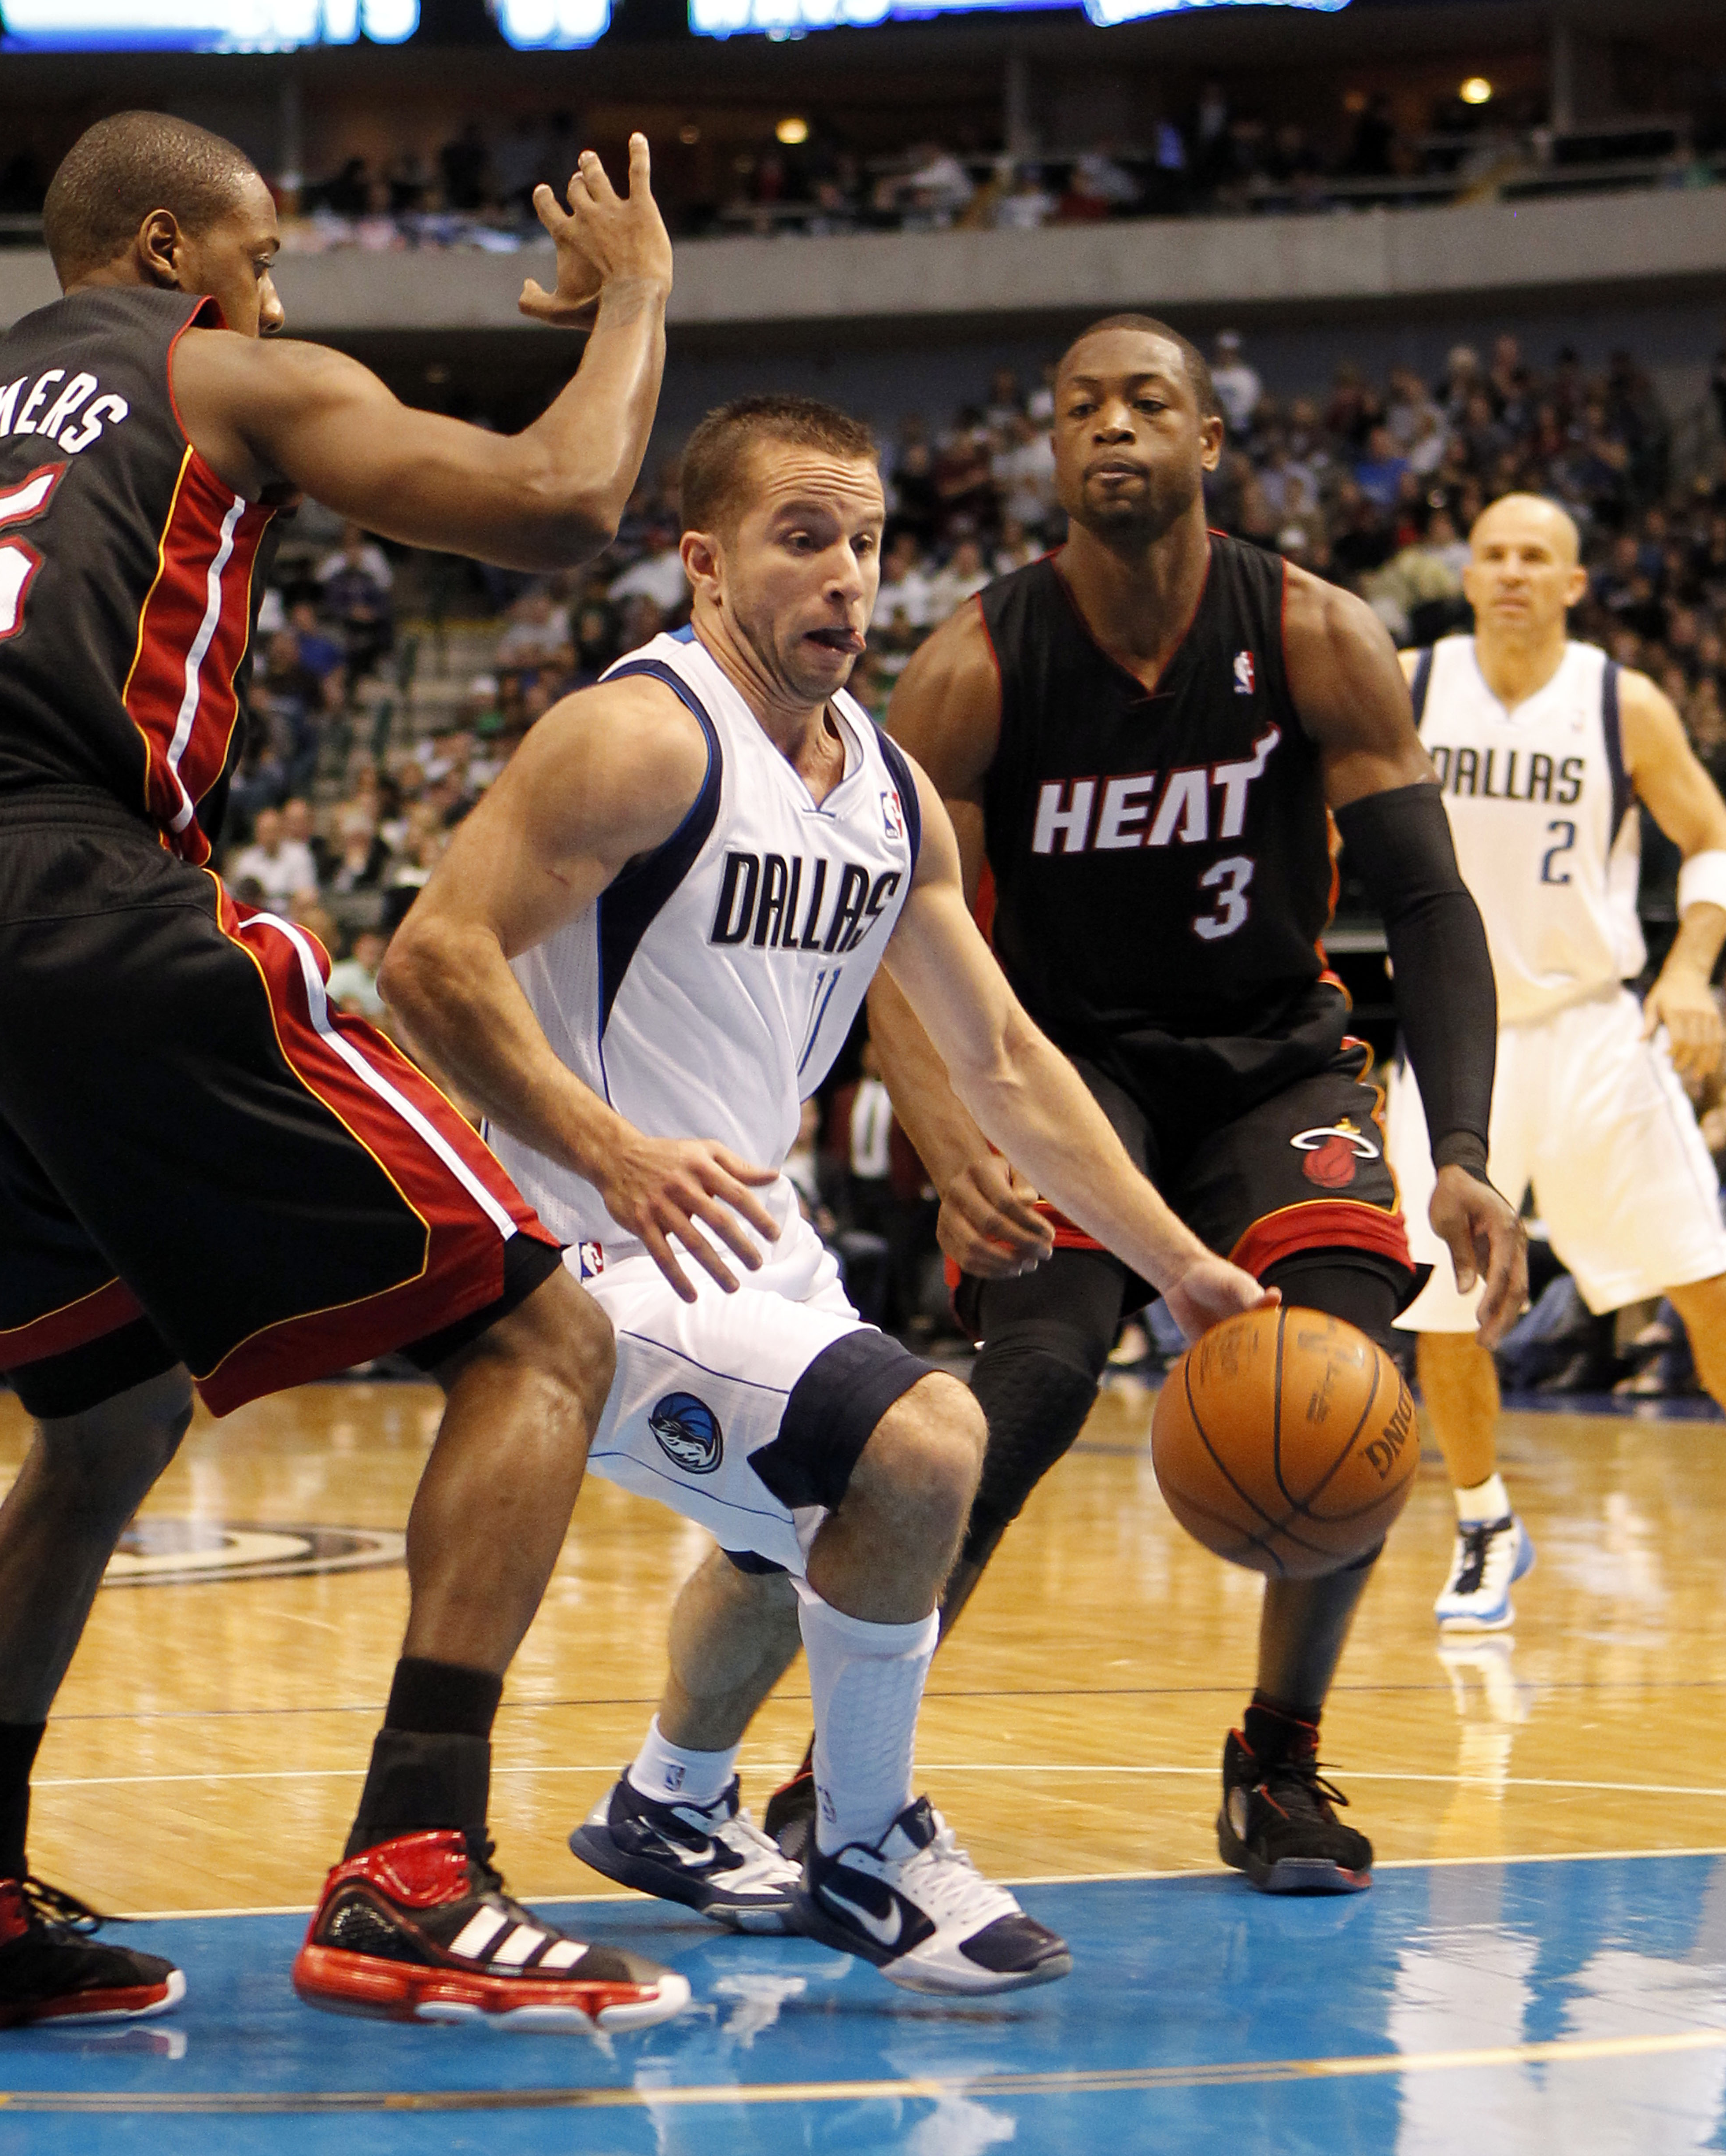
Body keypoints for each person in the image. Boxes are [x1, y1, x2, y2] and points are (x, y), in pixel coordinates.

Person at [0, 111, 703, 2036]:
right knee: (538, 1336)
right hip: (75, 885)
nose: (281, 292)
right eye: (264, 255)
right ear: (175, 247)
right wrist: (645, 288)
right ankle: (415, 1872)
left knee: (102, 1420)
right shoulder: (208, 366)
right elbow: (569, 498)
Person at [384, 394, 1268, 1994]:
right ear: (704, 565)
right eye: (802, 541)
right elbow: (426, 961)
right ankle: (862, 1852)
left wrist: (1177, 1259)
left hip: (752, 1239)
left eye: (864, 541)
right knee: (924, 1447)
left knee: (788, 1542)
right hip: (588, 1256)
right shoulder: (638, 736)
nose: (845, 577)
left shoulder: (885, 790)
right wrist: (608, 1147)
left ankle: (667, 1800)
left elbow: (995, 1056)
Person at [647, 316, 1526, 1905]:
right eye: (1075, 408)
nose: (1108, 425)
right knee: (1027, 1385)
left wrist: (1456, 1149)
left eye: (1146, 403)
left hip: (1268, 1056)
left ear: (1206, 442)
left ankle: (1273, 1756)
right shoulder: (979, 661)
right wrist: (944, 1131)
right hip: (1062, 1075)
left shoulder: (1311, 633)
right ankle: (833, 1779)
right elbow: (885, 927)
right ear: (1047, 457)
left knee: (1347, 1374)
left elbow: (1427, 904)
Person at [1390, 493, 1726, 1629]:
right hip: (1450, 1037)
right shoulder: (1409, 684)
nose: (1515, 573)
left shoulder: (1620, 702)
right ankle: (1484, 1524)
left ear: (1575, 583)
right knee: (1444, 1312)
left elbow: (1711, 835)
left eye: (1537, 557)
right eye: (1495, 555)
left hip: (1591, 1025)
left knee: (1706, 1282)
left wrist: (1689, 972)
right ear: (1467, 576)